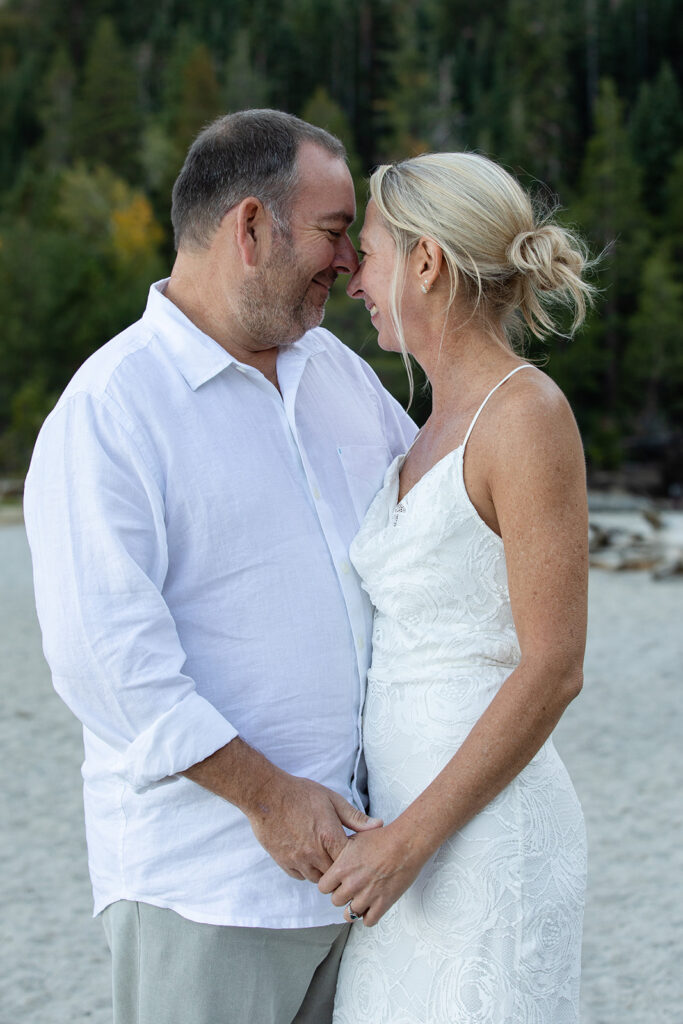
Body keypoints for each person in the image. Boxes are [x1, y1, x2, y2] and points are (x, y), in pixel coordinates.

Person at [23, 109, 416, 1024]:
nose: (350, 261)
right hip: (206, 890)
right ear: (249, 226)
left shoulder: (337, 376)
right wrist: (269, 797)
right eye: (331, 231)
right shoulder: (111, 412)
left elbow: (427, 529)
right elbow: (107, 662)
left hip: (367, 882)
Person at [318, 152, 593, 1023]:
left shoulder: (526, 415)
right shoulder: (425, 426)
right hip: (400, 842)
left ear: (425, 263)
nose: (352, 278)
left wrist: (408, 841)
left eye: (366, 252)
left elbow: (552, 668)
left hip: (476, 839)